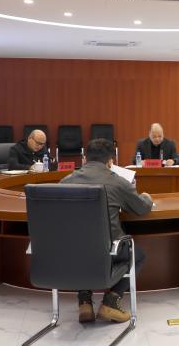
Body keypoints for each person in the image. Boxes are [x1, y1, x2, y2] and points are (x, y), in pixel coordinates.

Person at [62, 138, 153, 323]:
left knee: (82, 246)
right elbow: (142, 208)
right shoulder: (117, 182)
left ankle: (85, 302)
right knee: (138, 255)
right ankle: (111, 301)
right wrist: (147, 197)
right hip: (108, 251)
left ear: (84, 159)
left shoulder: (65, 181)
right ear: (111, 162)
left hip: (72, 253)